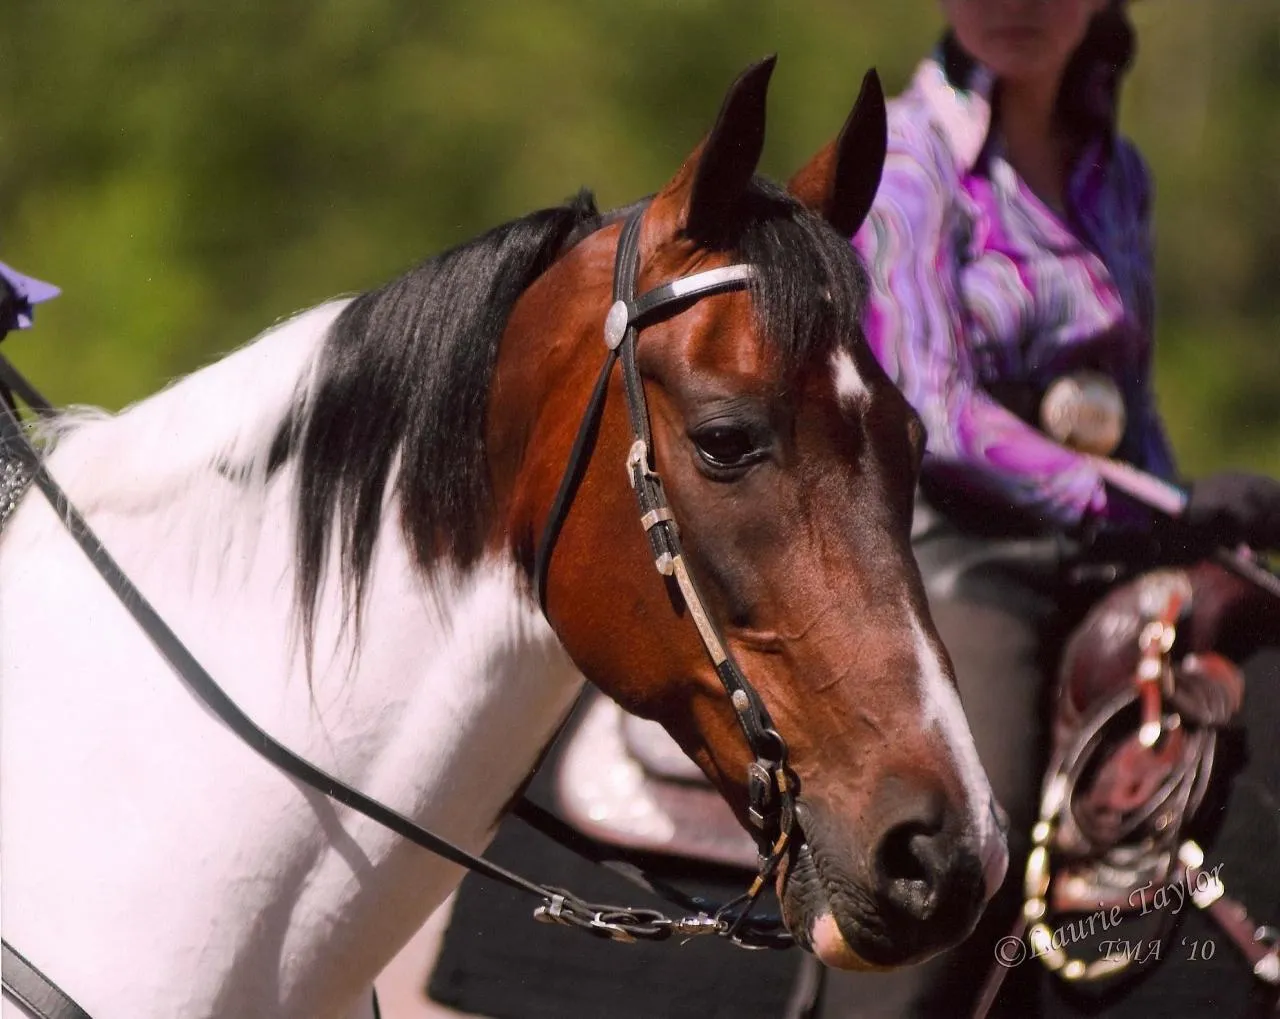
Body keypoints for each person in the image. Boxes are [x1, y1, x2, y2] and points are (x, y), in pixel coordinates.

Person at [821, 1, 1280, 1016]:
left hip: (1108, 533)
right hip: (953, 549)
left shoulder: (1118, 173)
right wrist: (1149, 497)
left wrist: (1199, 525)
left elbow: (1131, 394)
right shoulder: (907, 155)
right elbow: (932, 406)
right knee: (954, 842)